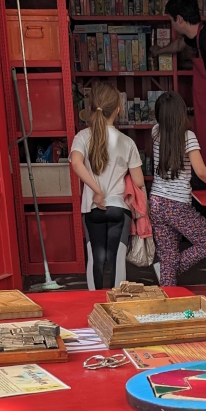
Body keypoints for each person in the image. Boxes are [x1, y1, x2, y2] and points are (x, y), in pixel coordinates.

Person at [149, 92, 206, 286]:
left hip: (156, 202)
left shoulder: (155, 132)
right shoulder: (188, 137)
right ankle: (168, 271)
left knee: (168, 254)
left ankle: (167, 275)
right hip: (177, 205)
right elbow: (201, 171)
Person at [70, 80, 145, 289]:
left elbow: (76, 163)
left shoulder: (83, 137)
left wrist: (96, 191)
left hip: (92, 208)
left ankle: (92, 303)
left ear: (92, 107)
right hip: (119, 209)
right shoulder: (127, 142)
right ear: (118, 110)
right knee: (116, 259)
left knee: (95, 258)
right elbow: (138, 181)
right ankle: (116, 305)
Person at [156, 0, 206, 180]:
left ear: (180, 19)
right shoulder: (194, 36)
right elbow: (178, 45)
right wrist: (157, 52)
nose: (172, 25)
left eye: (171, 20)